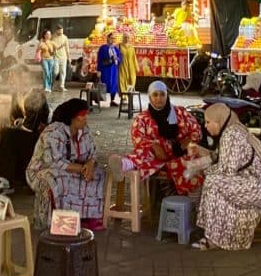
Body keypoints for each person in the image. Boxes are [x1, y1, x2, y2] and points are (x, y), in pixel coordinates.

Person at [188, 103, 261, 251]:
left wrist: (202, 171)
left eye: (208, 122)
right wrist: (201, 158)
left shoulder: (231, 135)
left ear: (219, 120)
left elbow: (227, 170)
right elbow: (219, 158)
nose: (205, 126)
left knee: (214, 182)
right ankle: (215, 234)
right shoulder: (234, 128)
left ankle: (216, 237)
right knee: (216, 183)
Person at [25, 98, 106, 231]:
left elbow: (93, 152)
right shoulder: (54, 132)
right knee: (59, 178)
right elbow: (54, 162)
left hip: (72, 168)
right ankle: (60, 221)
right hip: (43, 171)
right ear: (72, 117)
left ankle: (87, 218)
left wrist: (90, 165)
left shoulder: (84, 130)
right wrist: (82, 169)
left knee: (98, 175)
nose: (85, 119)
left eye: (86, 115)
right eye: (82, 116)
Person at [118, 81, 203, 196]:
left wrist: (189, 140)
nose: (159, 98)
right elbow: (137, 137)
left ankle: (193, 199)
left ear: (167, 95)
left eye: (162, 94)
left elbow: (196, 130)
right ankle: (124, 164)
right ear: (150, 97)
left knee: (196, 158)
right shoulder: (143, 118)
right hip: (157, 159)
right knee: (144, 152)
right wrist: (153, 145)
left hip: (179, 155)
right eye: (155, 95)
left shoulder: (180, 113)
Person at [96, 33, 122, 106]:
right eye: (111, 38)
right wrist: (98, 70)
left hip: (114, 69)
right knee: (104, 84)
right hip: (105, 69)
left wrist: (118, 59)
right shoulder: (103, 47)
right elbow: (99, 59)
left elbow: (120, 57)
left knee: (113, 85)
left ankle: (112, 100)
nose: (113, 40)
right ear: (108, 38)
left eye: (114, 38)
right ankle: (99, 99)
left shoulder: (115, 48)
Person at [52, 25, 69, 91]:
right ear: (57, 30)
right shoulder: (53, 37)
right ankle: (51, 84)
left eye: (62, 30)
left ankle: (61, 86)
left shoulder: (65, 37)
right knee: (55, 72)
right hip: (55, 57)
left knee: (63, 72)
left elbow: (67, 48)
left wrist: (68, 57)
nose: (61, 32)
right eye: (60, 30)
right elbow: (52, 46)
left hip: (63, 57)